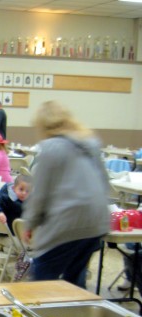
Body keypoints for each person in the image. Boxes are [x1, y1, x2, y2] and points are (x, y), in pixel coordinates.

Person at [22, 101, 110, 288]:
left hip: (69, 219)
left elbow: (41, 193)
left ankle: (37, 312)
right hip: (96, 221)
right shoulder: (89, 144)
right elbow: (104, 183)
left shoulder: (51, 147)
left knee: (41, 280)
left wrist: (30, 223)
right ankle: (76, 310)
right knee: (75, 280)